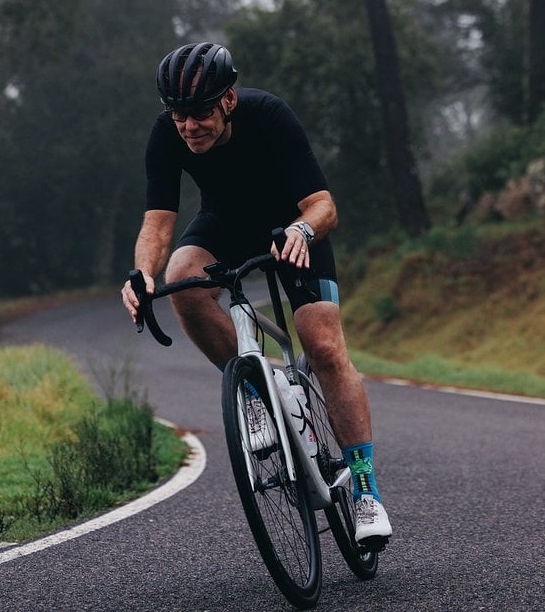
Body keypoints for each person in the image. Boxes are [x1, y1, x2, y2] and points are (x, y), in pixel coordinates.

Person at [121, 42, 392, 545]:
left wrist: (302, 232)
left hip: (292, 228)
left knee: (324, 346)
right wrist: (142, 275)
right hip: (225, 223)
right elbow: (158, 223)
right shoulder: (167, 133)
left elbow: (323, 206)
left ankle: (364, 487)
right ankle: (256, 393)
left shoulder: (268, 114)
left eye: (201, 113)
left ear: (228, 100)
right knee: (183, 274)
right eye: (179, 115)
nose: (189, 126)